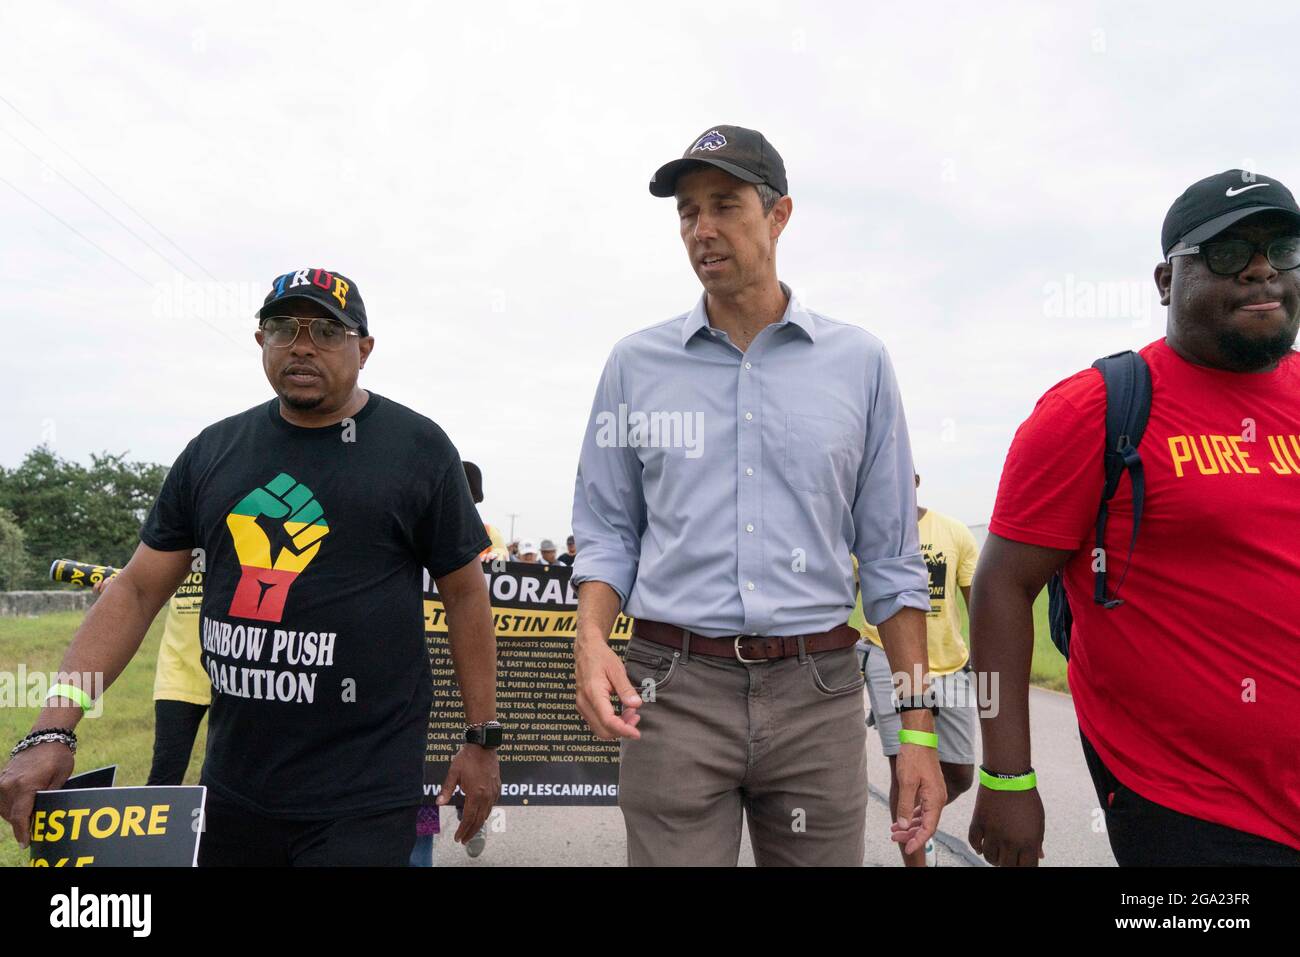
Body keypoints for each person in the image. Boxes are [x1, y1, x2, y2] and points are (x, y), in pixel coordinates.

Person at [0, 268, 502, 866]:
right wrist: (52, 727)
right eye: (283, 327)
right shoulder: (215, 452)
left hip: (363, 793)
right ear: (261, 341)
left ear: (363, 349)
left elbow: (466, 598)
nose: (302, 344)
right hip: (235, 789)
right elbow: (134, 592)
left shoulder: (417, 449)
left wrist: (482, 739)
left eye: (327, 331)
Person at [571, 125, 941, 866]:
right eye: (686, 212)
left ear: (779, 215)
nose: (701, 229)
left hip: (818, 691)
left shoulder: (858, 364)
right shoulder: (634, 365)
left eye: (724, 205)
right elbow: (609, 530)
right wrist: (589, 639)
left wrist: (918, 736)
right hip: (670, 690)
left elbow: (893, 561)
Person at [970, 171, 1300, 866]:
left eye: (1281, 247)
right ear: (1164, 279)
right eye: (1228, 252)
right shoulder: (1094, 409)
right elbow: (1000, 586)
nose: (1262, 268)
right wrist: (1007, 775)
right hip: (1184, 804)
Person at [853, 473, 980, 866]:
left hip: (950, 664)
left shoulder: (955, 532)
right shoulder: (867, 537)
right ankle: (916, 857)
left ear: (917, 481)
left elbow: (979, 605)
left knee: (960, 774)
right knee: (902, 768)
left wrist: (988, 663)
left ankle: (924, 815)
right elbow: (842, 595)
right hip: (888, 660)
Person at [93, 570, 210, 786]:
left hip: (231, 676)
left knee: (222, 780)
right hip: (178, 672)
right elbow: (143, 582)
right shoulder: (177, 540)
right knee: (164, 776)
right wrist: (119, 590)